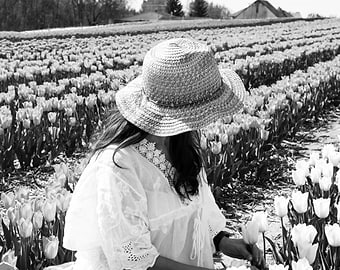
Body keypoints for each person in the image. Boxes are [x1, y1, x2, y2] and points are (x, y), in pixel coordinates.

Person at [62, 38, 267, 270]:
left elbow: (200, 214)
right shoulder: (119, 166)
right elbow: (136, 261)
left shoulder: (181, 147)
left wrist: (225, 242)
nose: (206, 119)